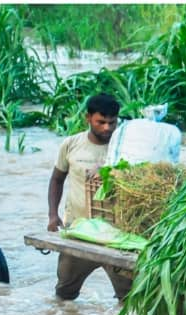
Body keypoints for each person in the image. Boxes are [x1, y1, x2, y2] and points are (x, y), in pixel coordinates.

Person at [46, 93, 130, 301]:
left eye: (112, 122)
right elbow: (56, 180)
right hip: (79, 231)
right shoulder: (71, 144)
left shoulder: (125, 148)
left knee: (128, 296)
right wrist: (52, 216)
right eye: (100, 122)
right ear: (88, 118)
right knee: (64, 294)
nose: (107, 128)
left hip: (116, 235)